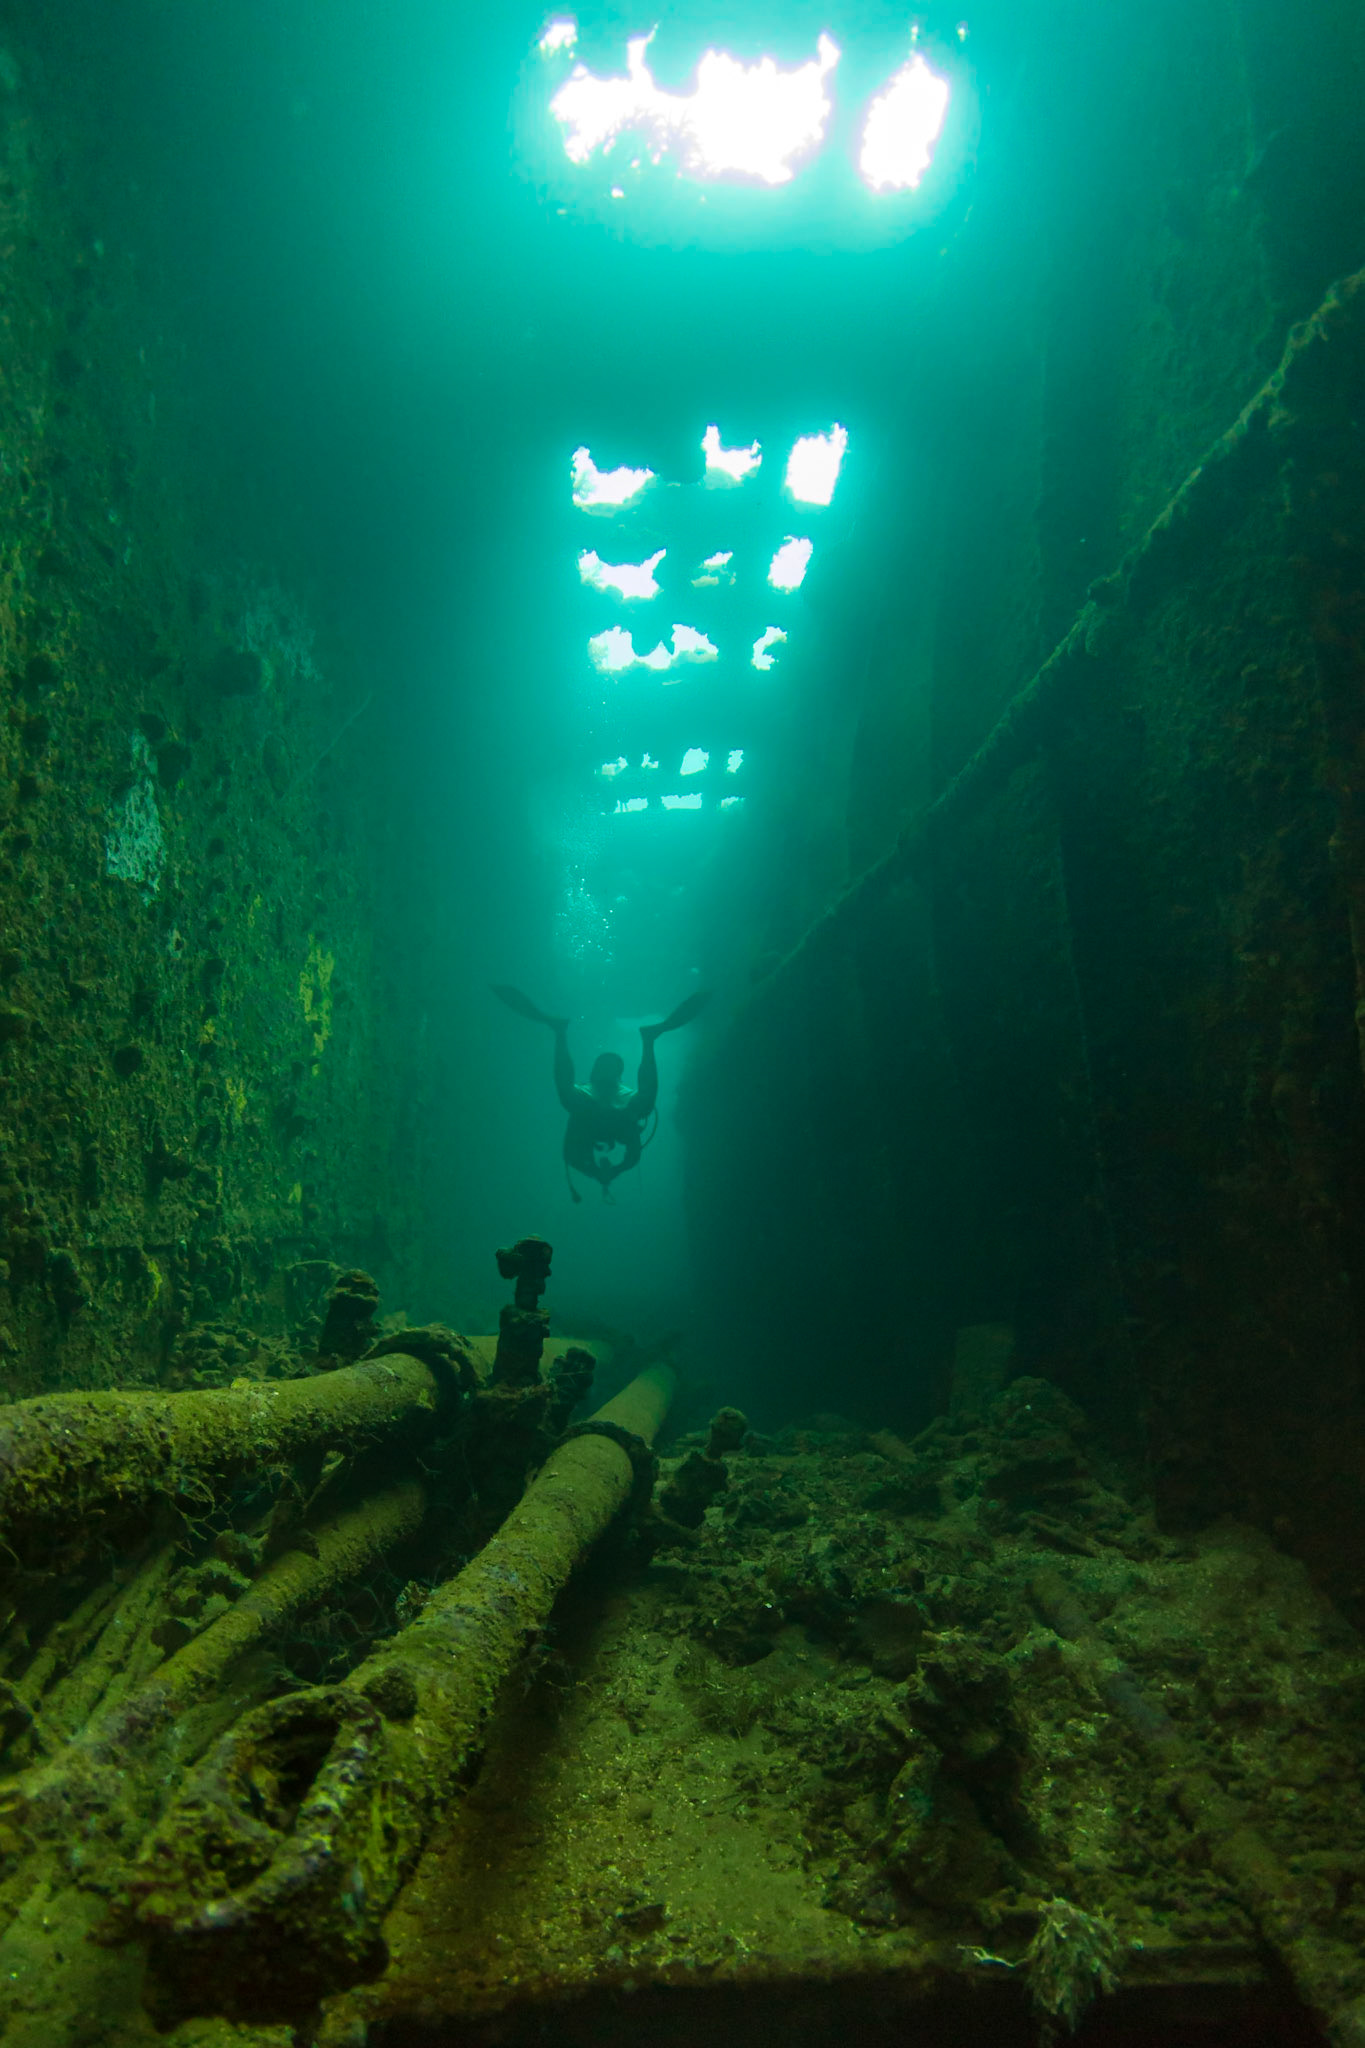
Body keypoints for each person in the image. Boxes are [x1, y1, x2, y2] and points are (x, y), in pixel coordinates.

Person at [493, 986, 711, 1201]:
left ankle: (563, 1032)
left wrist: (601, 1172)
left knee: (573, 1097)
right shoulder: (619, 1120)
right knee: (641, 1104)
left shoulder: (586, 1114)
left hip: (597, 1098)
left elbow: (572, 1154)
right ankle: (648, 1039)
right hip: (615, 1100)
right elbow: (631, 1152)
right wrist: (611, 1171)